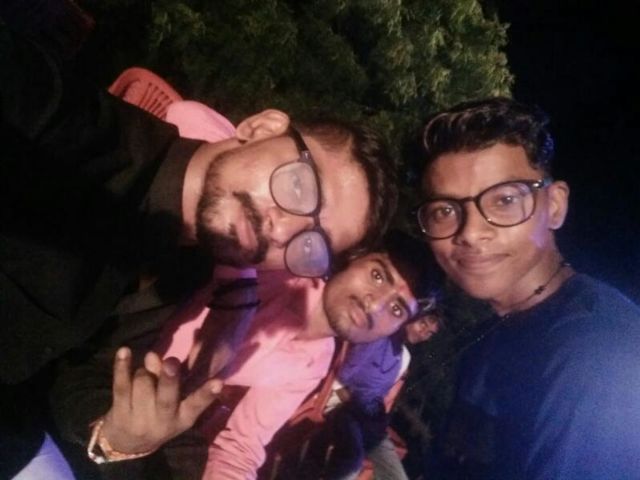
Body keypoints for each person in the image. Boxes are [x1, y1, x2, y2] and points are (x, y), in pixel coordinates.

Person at [0, 20, 398, 479]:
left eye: (311, 243)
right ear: (260, 128)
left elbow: (89, 366)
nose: (284, 228)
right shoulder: (67, 125)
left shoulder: (187, 266)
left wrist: (115, 436)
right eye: (299, 187)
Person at [50, 232, 439, 479]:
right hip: (105, 361)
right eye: (377, 275)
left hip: (168, 419)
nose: (375, 303)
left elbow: (242, 444)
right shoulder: (272, 269)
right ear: (352, 258)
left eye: (396, 309)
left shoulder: (315, 360)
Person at [415, 97, 640, 479]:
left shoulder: (597, 353)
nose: (470, 232)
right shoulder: (490, 337)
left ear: (554, 206)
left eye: (504, 200)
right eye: (445, 211)